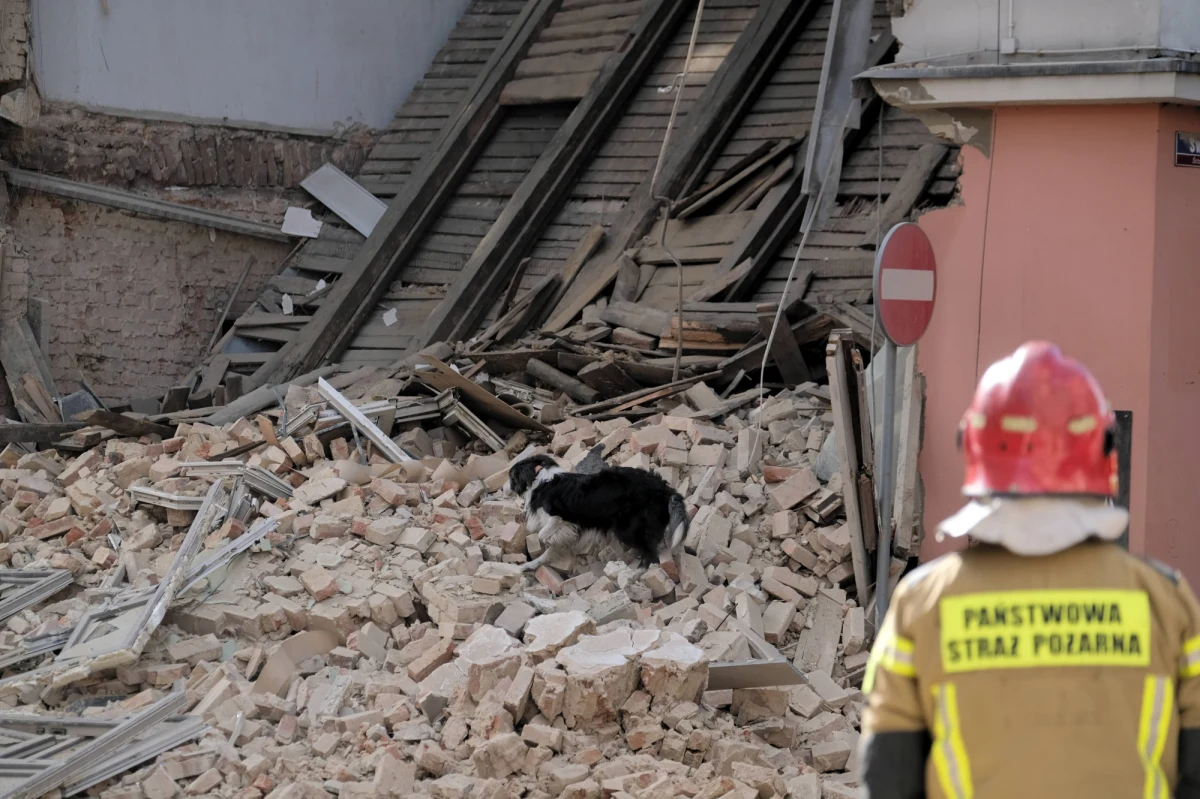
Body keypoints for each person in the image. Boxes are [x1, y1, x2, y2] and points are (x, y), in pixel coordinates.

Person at [859, 341, 1200, 799]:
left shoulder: (921, 604)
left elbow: (889, 778)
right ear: (1101, 450)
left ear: (975, 447)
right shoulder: (1167, 601)